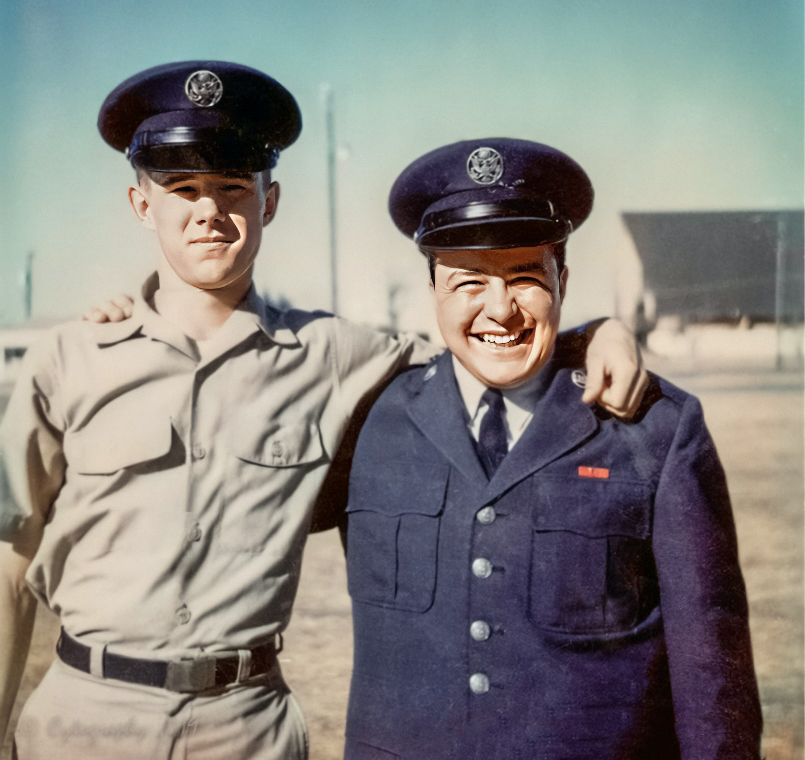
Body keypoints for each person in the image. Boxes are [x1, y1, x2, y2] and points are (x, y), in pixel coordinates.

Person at [0, 62, 644, 760]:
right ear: (139, 203)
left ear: (269, 201)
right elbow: (9, 563)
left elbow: (482, 341)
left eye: (232, 187)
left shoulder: (335, 353)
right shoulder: (67, 358)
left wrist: (594, 332)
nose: (208, 211)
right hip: (84, 718)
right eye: (181, 189)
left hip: (243, 727)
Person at [344, 138, 762, 759]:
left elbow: (711, 669)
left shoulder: (656, 429)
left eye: (525, 277)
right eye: (468, 282)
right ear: (432, 289)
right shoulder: (369, 417)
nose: (500, 310)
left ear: (562, 282)